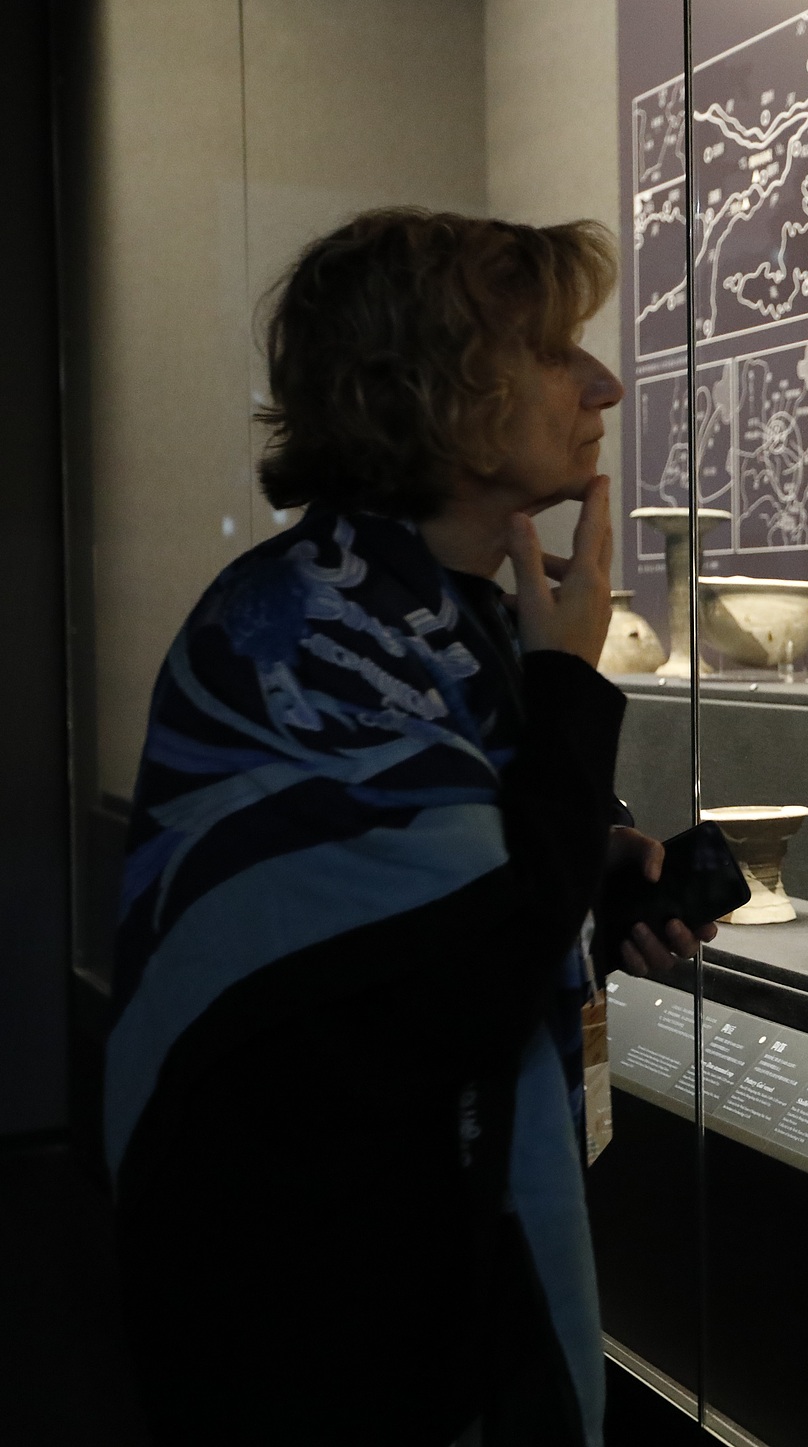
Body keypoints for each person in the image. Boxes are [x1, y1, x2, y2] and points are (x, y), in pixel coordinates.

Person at [105, 208, 704, 1446]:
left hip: (406, 1245)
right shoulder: (305, 633)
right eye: (553, 351)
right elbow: (465, 970)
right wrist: (571, 690)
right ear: (435, 391)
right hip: (313, 1289)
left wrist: (593, 874)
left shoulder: (424, 608)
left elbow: (457, 885)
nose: (601, 384)